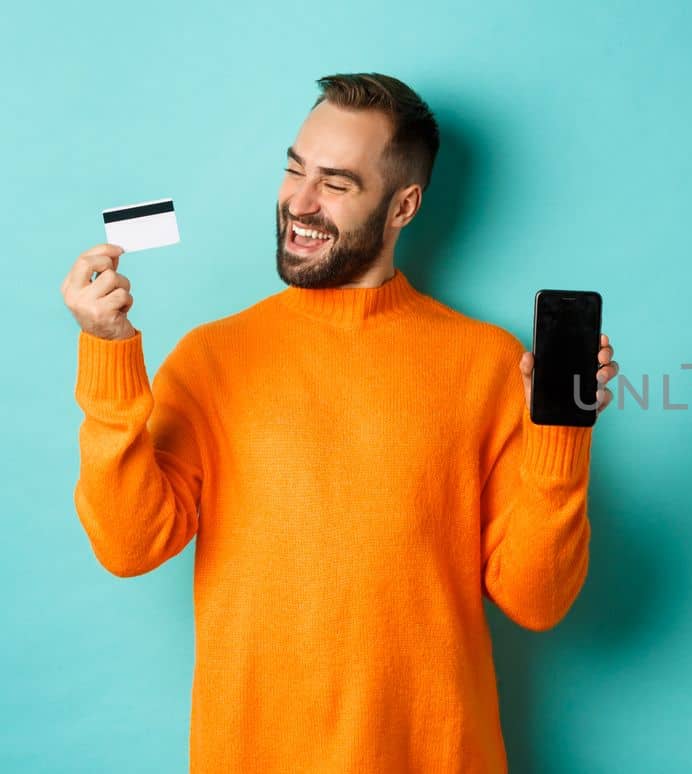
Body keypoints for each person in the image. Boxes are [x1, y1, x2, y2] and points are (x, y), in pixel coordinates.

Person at [57, 72, 619, 773]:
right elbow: (129, 545)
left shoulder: (489, 364)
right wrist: (109, 354)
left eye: (337, 183)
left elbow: (537, 602)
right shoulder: (213, 357)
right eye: (294, 169)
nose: (300, 201)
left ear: (403, 205)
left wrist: (562, 434)